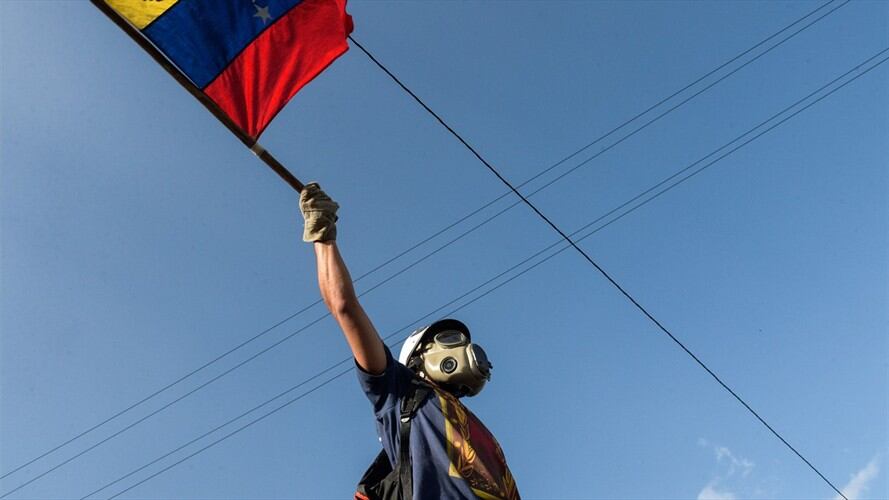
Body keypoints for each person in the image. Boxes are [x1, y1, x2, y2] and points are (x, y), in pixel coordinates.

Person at [299, 183, 520, 499]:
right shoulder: (399, 392)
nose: (460, 346)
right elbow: (343, 305)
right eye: (447, 339)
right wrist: (323, 235)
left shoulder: (485, 439)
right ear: (418, 357)